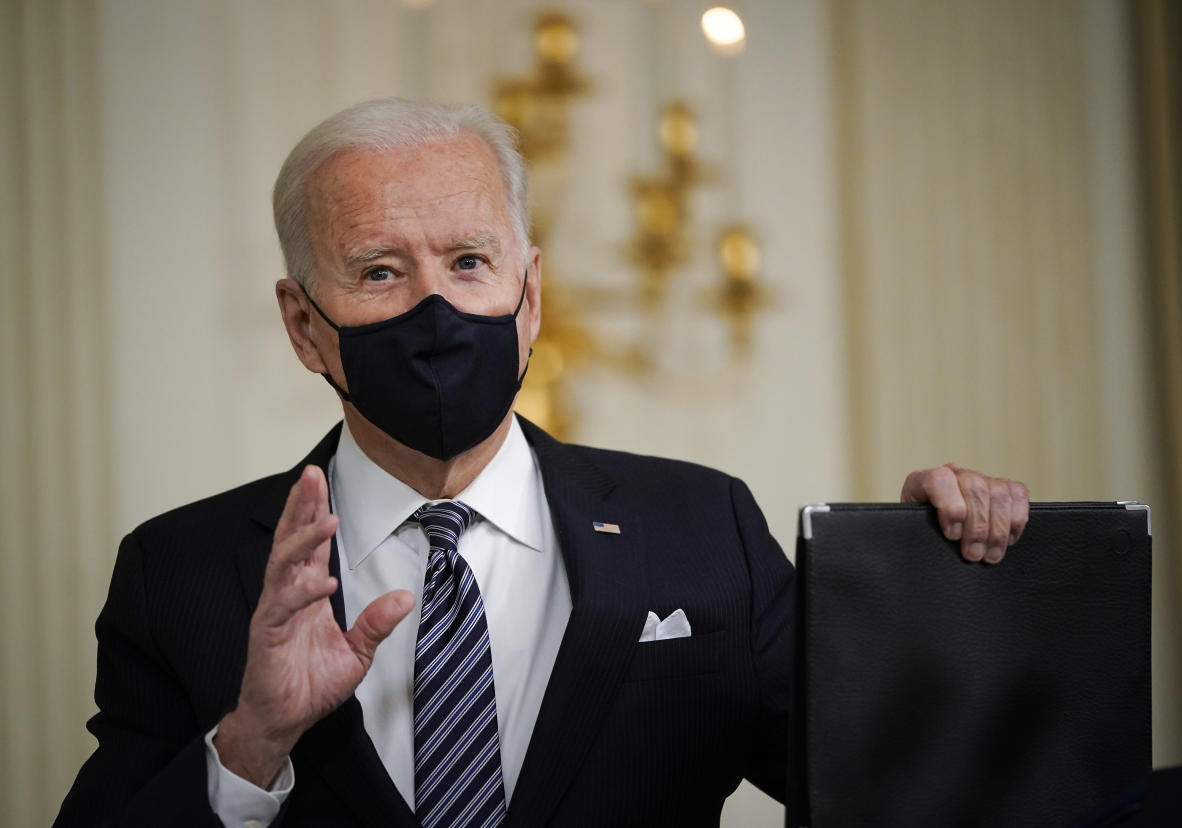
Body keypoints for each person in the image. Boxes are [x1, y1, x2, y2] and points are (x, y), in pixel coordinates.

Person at [54, 99, 1029, 827]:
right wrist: (251, 744)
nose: (435, 310)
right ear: (305, 325)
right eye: (381, 271)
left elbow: (888, 790)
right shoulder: (177, 571)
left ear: (530, 298)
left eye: (470, 262)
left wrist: (923, 584)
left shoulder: (703, 529)